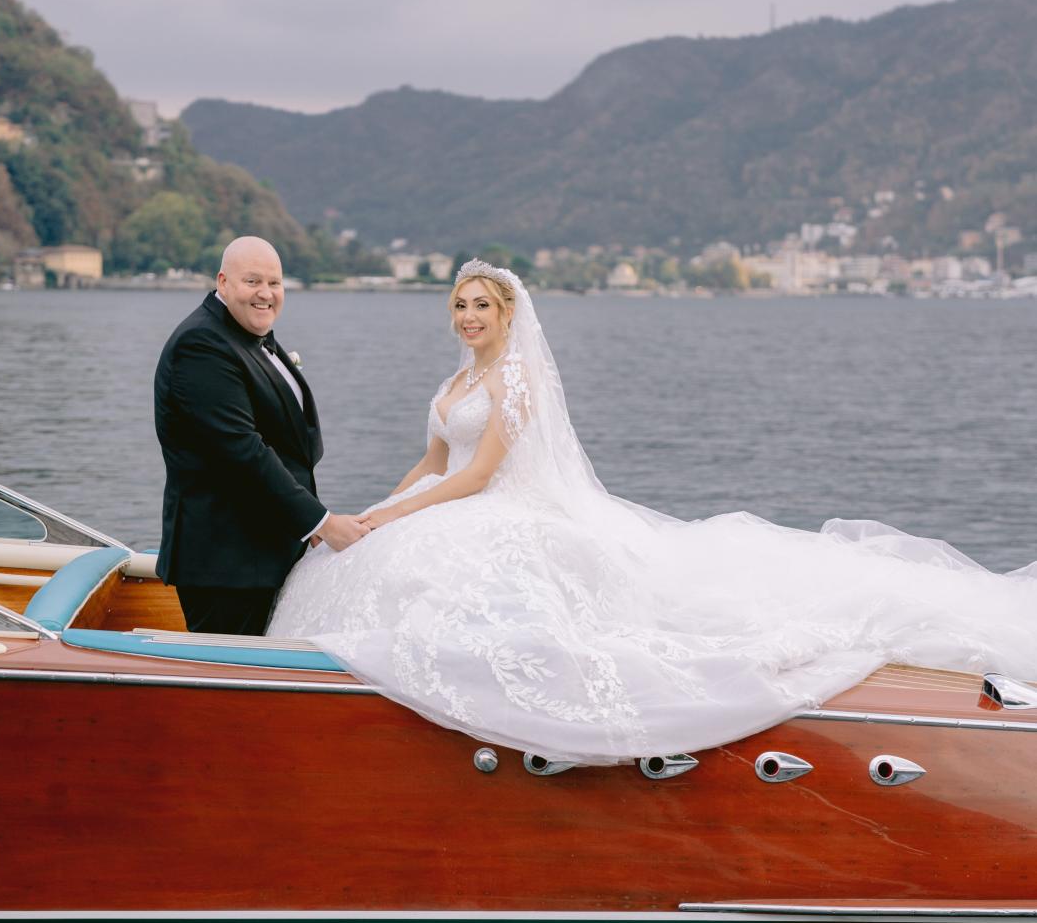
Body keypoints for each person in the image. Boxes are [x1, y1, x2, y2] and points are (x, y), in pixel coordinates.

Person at [267, 258, 1037, 763]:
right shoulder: (455, 383)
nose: (468, 317)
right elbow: (435, 463)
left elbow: (481, 476)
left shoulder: (514, 384)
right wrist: (380, 510)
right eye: (459, 306)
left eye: (481, 306)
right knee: (357, 556)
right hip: (444, 501)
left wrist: (404, 518)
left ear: (507, 315)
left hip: (497, 508)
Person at [154, 235, 367, 636]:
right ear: (223, 282)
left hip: (265, 552)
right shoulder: (201, 344)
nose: (266, 294)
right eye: (253, 281)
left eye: (275, 283)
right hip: (226, 562)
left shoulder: (246, 332)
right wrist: (321, 523)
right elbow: (242, 451)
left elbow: (287, 445)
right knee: (227, 683)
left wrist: (307, 523)